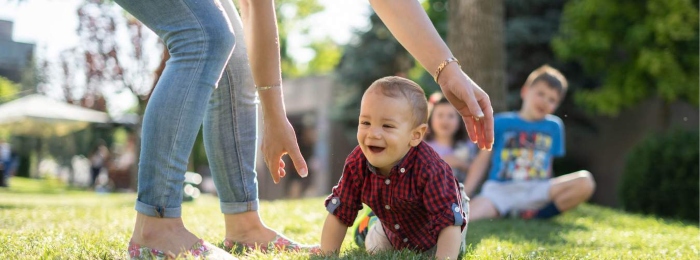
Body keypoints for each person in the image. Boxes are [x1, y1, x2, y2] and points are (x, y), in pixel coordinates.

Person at [117, 0, 494, 258]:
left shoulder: (430, 169)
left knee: (233, 56)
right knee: (205, 36)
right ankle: (157, 227)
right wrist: (273, 114)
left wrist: (448, 71)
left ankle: (244, 225)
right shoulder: (358, 166)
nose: (372, 133)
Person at [318, 77, 469, 260]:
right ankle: (368, 226)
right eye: (366, 123)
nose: (373, 133)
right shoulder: (357, 162)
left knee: (454, 250)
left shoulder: (431, 168)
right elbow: (340, 211)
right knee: (375, 248)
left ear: (415, 135)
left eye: (387, 126)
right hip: (393, 229)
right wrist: (326, 255)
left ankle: (372, 222)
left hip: (439, 232)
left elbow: (448, 222)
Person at [465, 65, 596, 221]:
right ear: (525, 91)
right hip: (500, 191)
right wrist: (465, 194)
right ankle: (508, 211)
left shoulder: (554, 127)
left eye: (552, 100)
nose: (545, 101)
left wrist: (549, 191)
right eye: (540, 94)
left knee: (585, 182)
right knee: (467, 215)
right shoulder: (500, 122)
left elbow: (548, 165)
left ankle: (536, 215)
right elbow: (482, 161)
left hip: (537, 189)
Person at [426, 93, 479, 185]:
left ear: (459, 120)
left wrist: (459, 163)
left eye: (451, 116)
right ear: (430, 119)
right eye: (440, 115)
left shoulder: (468, 145)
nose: (445, 121)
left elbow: (477, 170)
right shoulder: (423, 146)